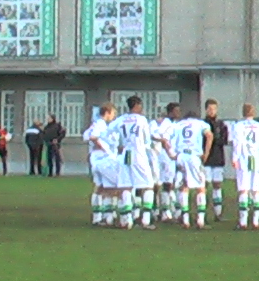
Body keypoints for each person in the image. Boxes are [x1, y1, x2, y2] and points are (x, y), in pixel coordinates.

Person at [110, 96, 159, 229]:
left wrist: (117, 145)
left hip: (126, 154)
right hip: (138, 153)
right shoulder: (141, 119)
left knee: (126, 185)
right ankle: (146, 220)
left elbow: (108, 132)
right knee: (148, 185)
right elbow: (147, 140)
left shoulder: (120, 119)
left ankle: (127, 220)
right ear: (137, 105)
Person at [168, 101, 211, 228]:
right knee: (200, 187)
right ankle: (200, 220)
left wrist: (172, 154)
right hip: (193, 156)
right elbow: (209, 135)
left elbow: (168, 139)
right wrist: (206, 153)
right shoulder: (200, 123)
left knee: (184, 187)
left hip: (181, 156)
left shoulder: (178, 124)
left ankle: (185, 219)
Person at [230, 102, 259, 229]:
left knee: (244, 190)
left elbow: (237, 143)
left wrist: (235, 158)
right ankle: (255, 221)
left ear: (243, 112)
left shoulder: (238, 126)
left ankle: (243, 222)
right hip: (256, 160)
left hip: (244, 160)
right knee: (256, 191)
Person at [83, 103, 122, 226]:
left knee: (100, 187)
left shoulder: (96, 123)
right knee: (115, 185)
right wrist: (106, 149)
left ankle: (98, 217)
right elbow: (93, 137)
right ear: (107, 112)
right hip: (103, 158)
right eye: (113, 113)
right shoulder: (100, 124)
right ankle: (109, 215)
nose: (114, 116)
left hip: (96, 158)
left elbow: (86, 136)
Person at [202, 99, 229, 222]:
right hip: (206, 159)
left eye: (214, 109)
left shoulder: (221, 125)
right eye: (210, 109)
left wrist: (216, 139)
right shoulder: (202, 124)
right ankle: (203, 212)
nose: (212, 111)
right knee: (204, 185)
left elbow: (224, 140)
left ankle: (218, 213)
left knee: (217, 185)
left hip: (218, 158)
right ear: (206, 110)